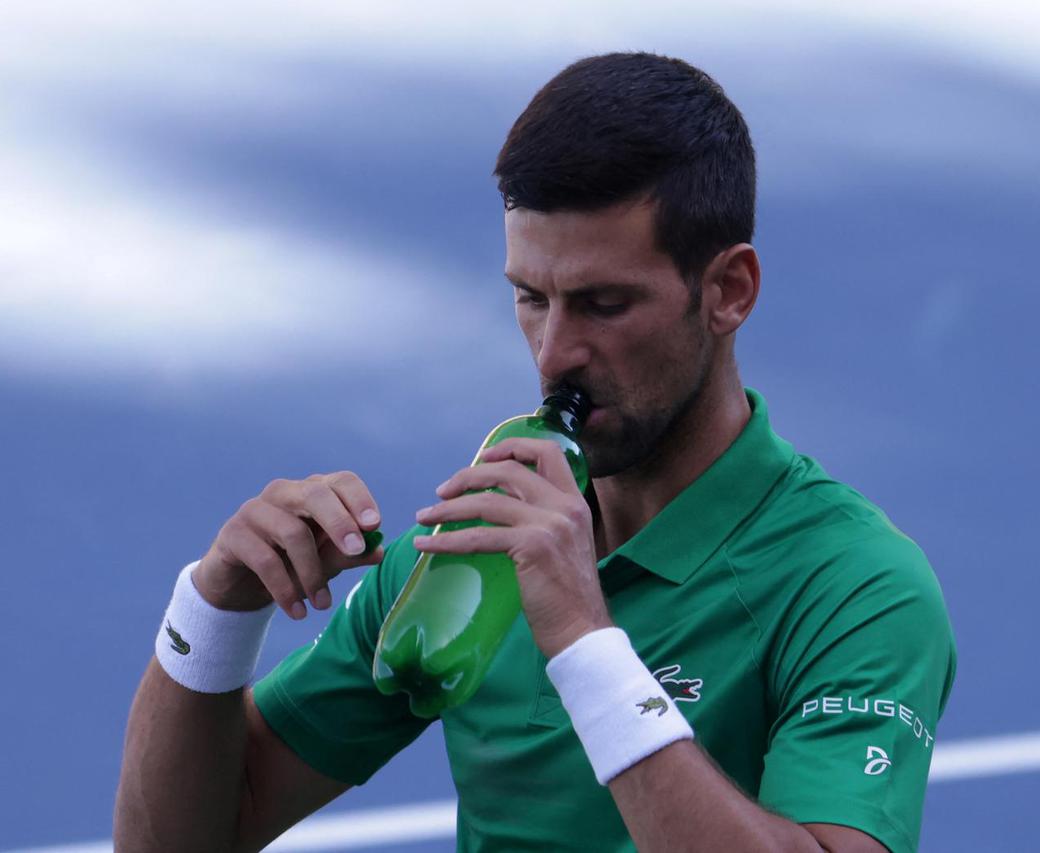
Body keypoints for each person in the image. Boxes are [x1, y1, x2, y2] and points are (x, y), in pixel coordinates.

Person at [114, 52, 955, 852]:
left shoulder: (855, 586)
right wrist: (216, 608)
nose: (554, 353)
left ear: (728, 290)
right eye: (530, 297)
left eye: (605, 303)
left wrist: (586, 644)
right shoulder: (461, 561)